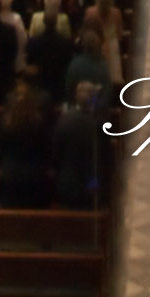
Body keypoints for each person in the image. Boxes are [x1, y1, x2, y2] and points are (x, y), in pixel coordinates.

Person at [0, 78, 48, 205]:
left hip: (11, 173)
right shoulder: (38, 122)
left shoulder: (7, 124)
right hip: (34, 174)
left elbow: (1, 147)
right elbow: (44, 147)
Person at [52, 79, 103, 207]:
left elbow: (56, 152)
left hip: (66, 181)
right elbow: (103, 157)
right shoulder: (96, 124)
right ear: (93, 100)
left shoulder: (64, 120)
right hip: (90, 183)